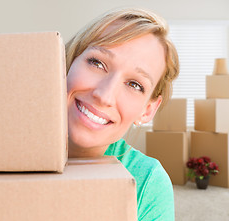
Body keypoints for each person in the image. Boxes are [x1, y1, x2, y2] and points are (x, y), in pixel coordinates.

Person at [65, 7, 178, 220]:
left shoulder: (147, 182)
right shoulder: (1, 144)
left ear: (148, 110)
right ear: (67, 63)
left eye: (134, 84)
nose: (105, 96)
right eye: (97, 63)